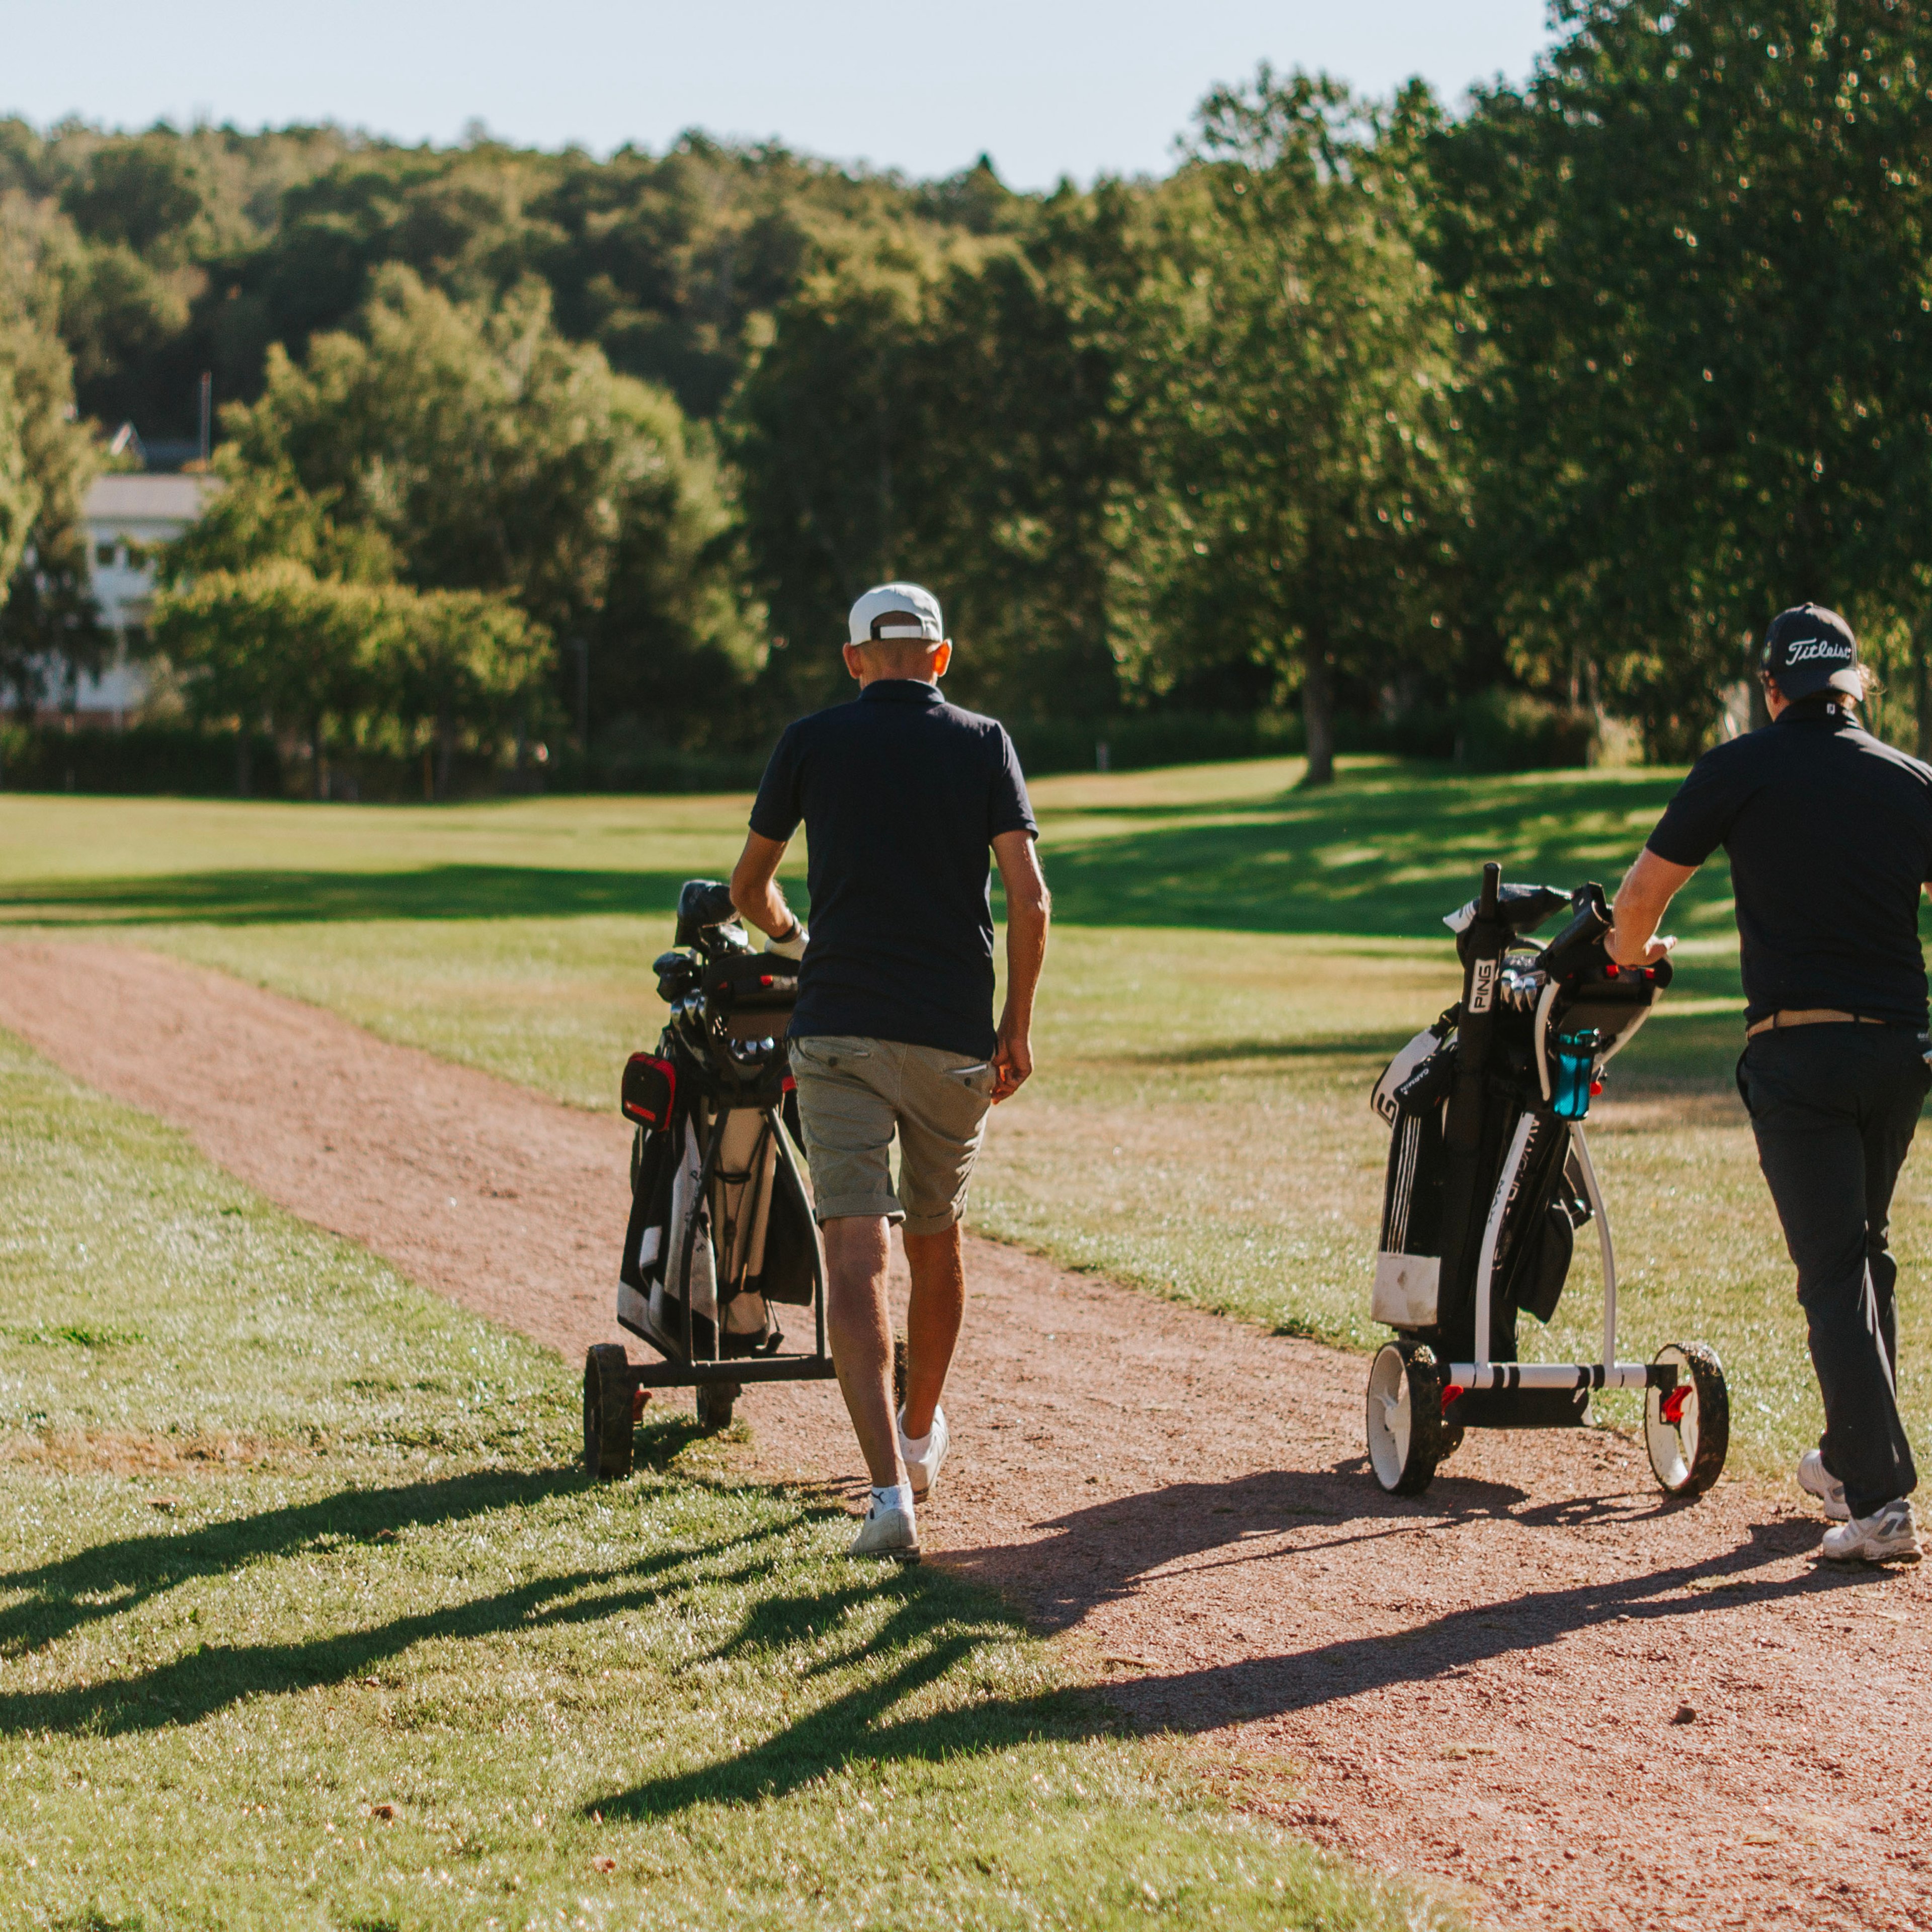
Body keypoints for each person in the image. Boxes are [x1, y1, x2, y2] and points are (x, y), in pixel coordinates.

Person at [728, 581, 1052, 1563]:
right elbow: (1030, 901)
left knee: (854, 1256)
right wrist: (1017, 1027)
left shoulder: (810, 739)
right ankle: (919, 1437)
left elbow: (750, 887)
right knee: (935, 1237)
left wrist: (795, 935)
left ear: (855, 658)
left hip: (838, 1032)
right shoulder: (986, 741)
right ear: (942, 658)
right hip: (954, 1034)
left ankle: (884, 1500)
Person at [1607, 604, 1927, 1565]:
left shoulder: (1740, 767)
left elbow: (1639, 900)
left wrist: (1630, 961)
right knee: (1863, 1258)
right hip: (1900, 1056)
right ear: (1855, 686)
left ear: (1772, 689)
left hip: (1799, 1056)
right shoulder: (1912, 779)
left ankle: (1878, 1506)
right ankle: (1845, 1459)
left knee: (1834, 1269)